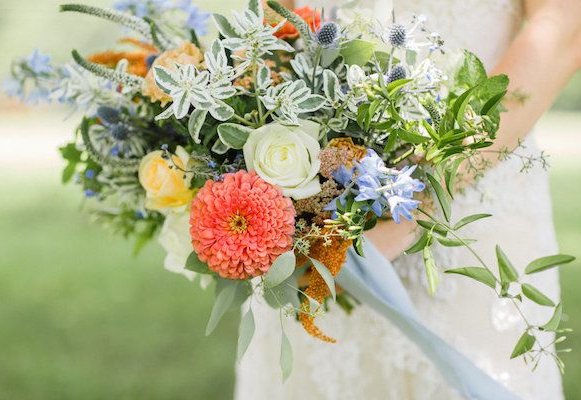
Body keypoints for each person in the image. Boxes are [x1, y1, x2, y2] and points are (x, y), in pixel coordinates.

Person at [235, 1, 581, 398]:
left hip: (467, 219)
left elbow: (562, 30)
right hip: (311, 224)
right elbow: (277, 23)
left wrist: (418, 194)